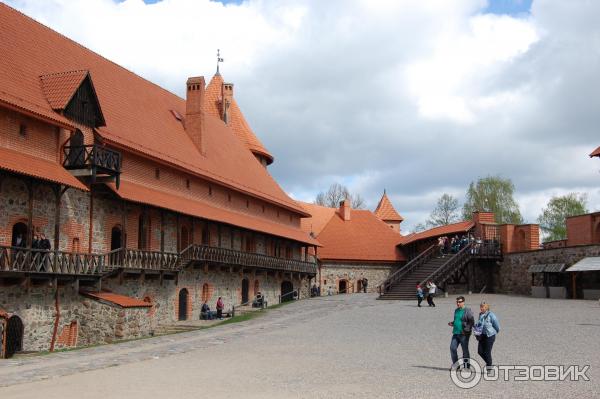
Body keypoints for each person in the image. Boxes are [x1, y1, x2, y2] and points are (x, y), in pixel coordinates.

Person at [449, 296, 475, 369]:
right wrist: (453, 323)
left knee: (465, 351)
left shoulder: (468, 311)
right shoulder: (456, 310)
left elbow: (471, 322)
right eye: (457, 302)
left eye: (459, 302)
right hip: (455, 333)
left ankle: (467, 366)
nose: (458, 303)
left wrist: (466, 330)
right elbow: (457, 320)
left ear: (463, 302)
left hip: (464, 334)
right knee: (452, 348)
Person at [476, 301, 500, 372]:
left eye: (482, 307)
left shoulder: (491, 315)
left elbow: (497, 326)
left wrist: (494, 332)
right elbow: (479, 324)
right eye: (480, 306)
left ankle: (489, 366)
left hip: (490, 336)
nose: (481, 308)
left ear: (486, 307)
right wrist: (477, 333)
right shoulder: (480, 314)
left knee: (487, 352)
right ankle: (489, 363)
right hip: (482, 336)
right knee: (480, 351)